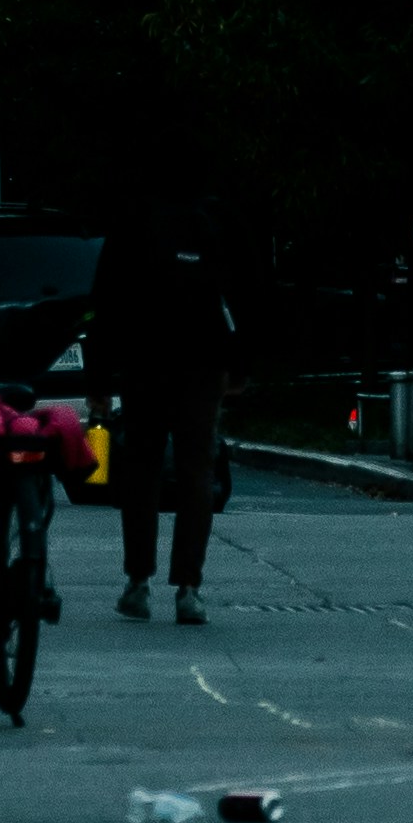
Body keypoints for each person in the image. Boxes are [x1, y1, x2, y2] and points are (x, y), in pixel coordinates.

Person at [92, 193, 237, 628]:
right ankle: (189, 588)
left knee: (141, 471)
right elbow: (239, 292)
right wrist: (238, 364)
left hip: (145, 362)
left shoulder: (133, 219)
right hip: (202, 362)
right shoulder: (211, 218)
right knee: (196, 473)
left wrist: (99, 380)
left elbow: (105, 300)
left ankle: (138, 582)